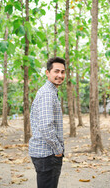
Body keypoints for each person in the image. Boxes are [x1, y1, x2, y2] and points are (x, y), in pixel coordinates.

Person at [29, 57, 66, 188]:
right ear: (47, 73)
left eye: (62, 72)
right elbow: (46, 126)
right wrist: (57, 150)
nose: (60, 75)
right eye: (56, 71)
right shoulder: (47, 94)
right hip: (47, 154)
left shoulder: (50, 92)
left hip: (46, 154)